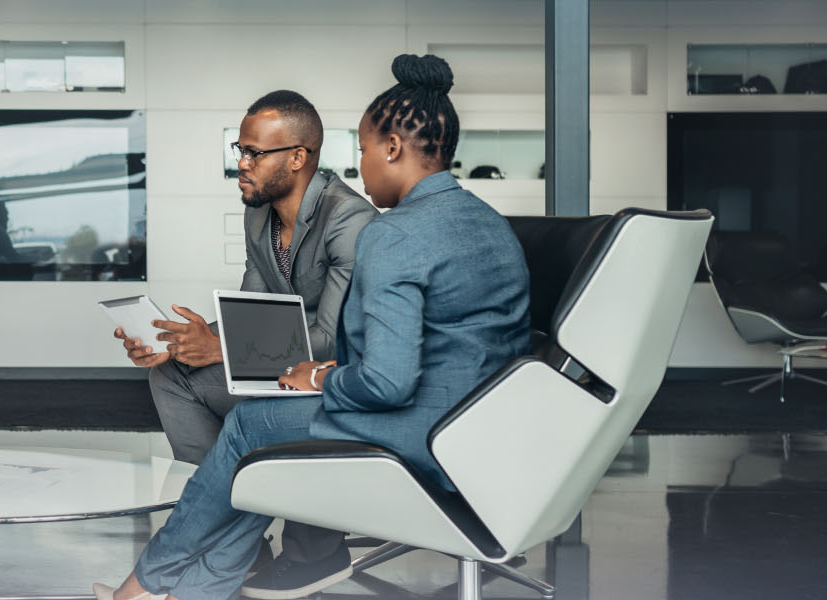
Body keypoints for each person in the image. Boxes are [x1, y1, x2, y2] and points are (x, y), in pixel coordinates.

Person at [96, 54, 532, 600]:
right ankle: (192, 589)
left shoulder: (387, 233)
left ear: (393, 148)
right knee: (239, 419)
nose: (361, 166)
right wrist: (189, 342)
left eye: (365, 150)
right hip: (486, 426)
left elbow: (387, 381)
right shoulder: (489, 223)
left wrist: (322, 378)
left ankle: (146, 583)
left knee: (253, 428)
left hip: (422, 427)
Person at [112, 90, 375, 598]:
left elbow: (332, 338)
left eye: (255, 153)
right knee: (171, 376)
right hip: (284, 370)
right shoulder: (261, 217)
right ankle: (237, 541)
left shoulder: (349, 220)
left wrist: (222, 348)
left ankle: (314, 550)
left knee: (251, 406)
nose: (242, 165)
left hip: (339, 382)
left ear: (298, 157)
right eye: (241, 150)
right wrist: (182, 344)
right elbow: (252, 315)